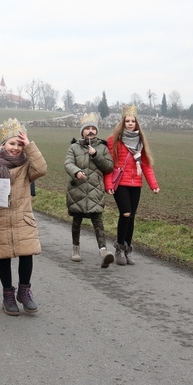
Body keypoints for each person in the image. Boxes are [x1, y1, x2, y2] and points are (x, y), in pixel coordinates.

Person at [0, 118, 47, 316]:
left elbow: (42, 169)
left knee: (26, 254)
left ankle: (24, 292)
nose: (15, 148)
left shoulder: (27, 166)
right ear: (3, 145)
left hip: (22, 218)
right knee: (4, 257)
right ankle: (8, 294)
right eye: (12, 143)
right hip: (0, 219)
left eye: (19, 144)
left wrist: (30, 146)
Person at [104, 105, 160, 266]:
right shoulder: (113, 139)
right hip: (120, 182)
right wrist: (108, 184)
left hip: (136, 182)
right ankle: (119, 248)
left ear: (136, 123)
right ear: (122, 122)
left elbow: (146, 166)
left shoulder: (140, 141)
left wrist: (153, 185)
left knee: (132, 217)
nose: (130, 123)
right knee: (126, 213)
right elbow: (109, 164)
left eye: (132, 121)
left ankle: (127, 249)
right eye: (127, 121)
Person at [64, 113, 115, 267]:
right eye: (87, 129)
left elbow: (109, 167)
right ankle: (76, 249)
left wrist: (95, 155)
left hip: (95, 190)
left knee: (98, 221)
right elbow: (68, 163)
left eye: (93, 128)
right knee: (77, 221)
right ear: (82, 131)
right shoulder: (73, 147)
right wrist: (76, 172)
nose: (91, 131)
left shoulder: (103, 148)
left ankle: (104, 251)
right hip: (77, 189)